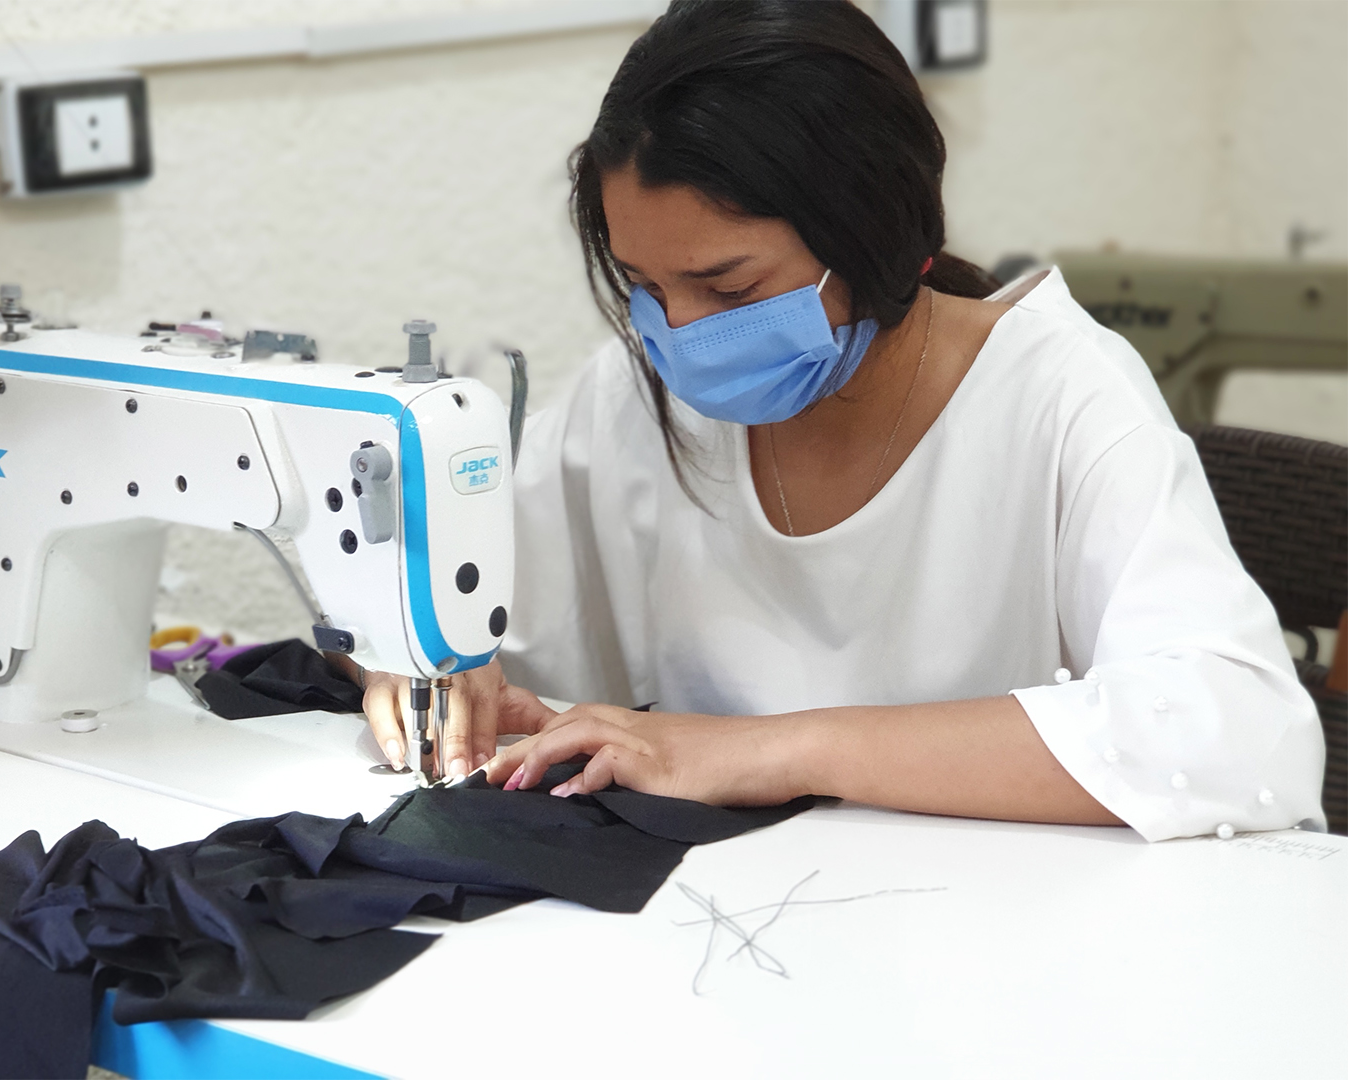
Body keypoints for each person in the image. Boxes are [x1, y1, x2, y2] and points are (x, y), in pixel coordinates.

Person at [354, 0, 1325, 841]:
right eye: (644, 286)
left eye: (727, 285)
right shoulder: (639, 397)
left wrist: (772, 751)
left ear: (874, 231)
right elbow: (489, 626)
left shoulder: (1058, 397)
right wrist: (422, 664)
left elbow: (1244, 737)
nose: (677, 337)